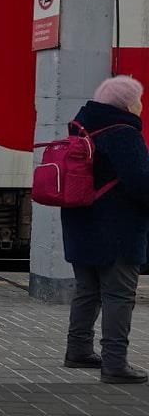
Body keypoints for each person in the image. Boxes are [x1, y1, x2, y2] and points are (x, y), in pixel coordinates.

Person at [61, 76, 149, 384]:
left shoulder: (82, 127)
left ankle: (78, 350)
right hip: (116, 228)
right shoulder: (124, 133)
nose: (141, 105)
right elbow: (140, 183)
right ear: (127, 104)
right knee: (119, 295)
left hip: (80, 222)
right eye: (139, 99)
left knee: (87, 290)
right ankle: (115, 363)